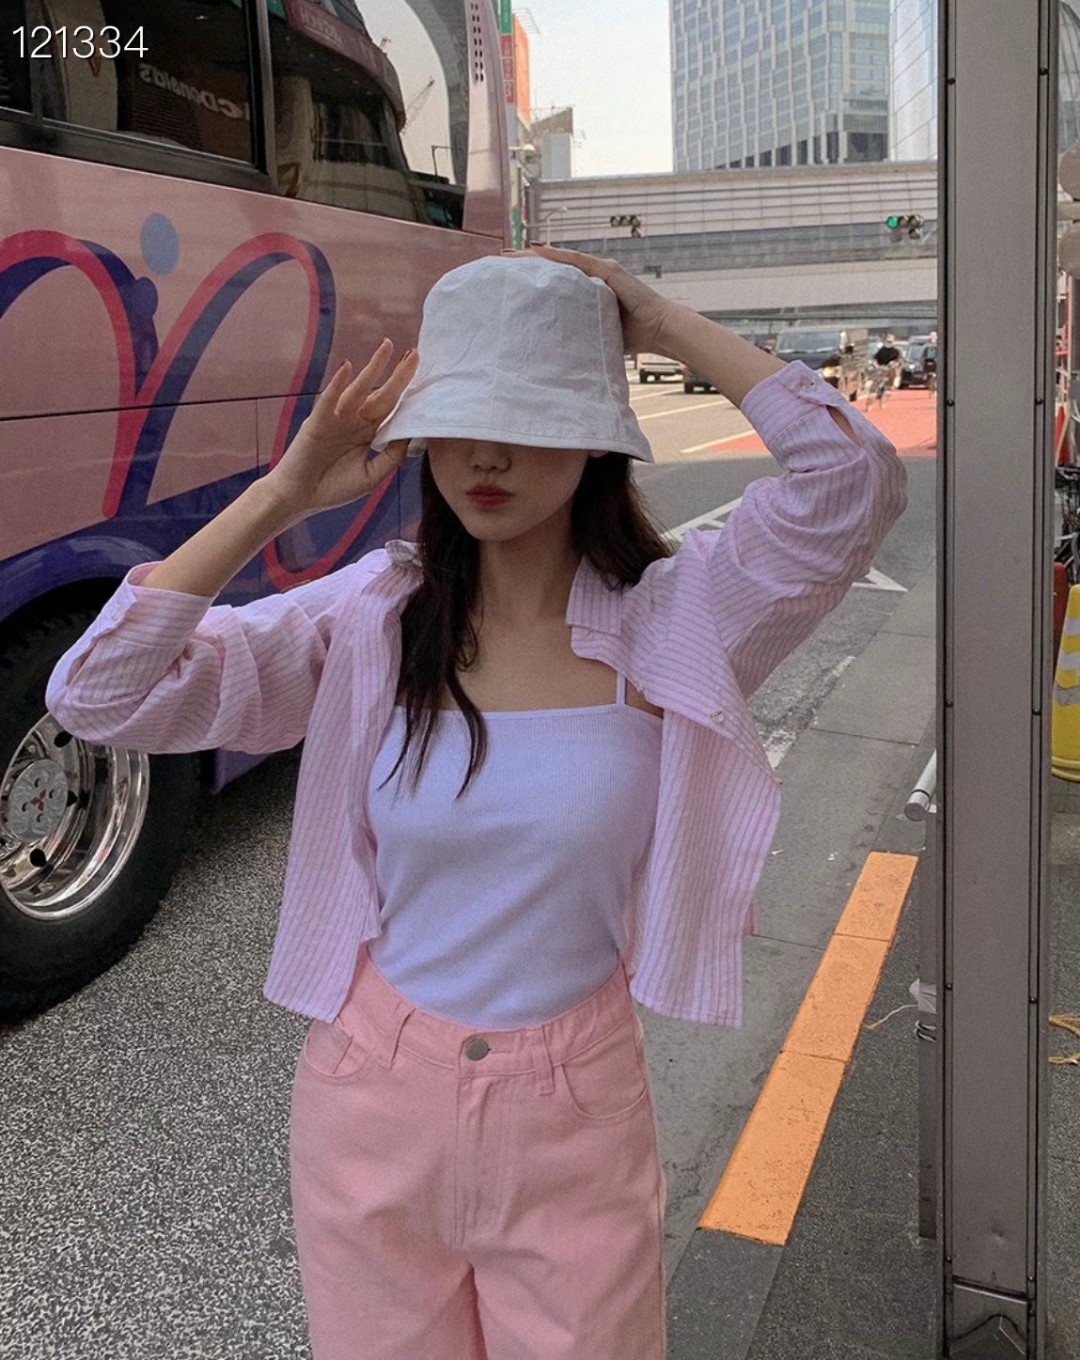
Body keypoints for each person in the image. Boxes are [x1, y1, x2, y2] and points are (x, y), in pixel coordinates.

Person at [44, 244, 908, 1360]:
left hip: (574, 1105)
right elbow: (101, 692)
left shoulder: (678, 619)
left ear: (597, 436)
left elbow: (853, 481)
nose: (487, 455)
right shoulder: (376, 616)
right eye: (458, 420)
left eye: (533, 419)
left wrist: (652, 319)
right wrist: (283, 492)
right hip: (371, 1094)